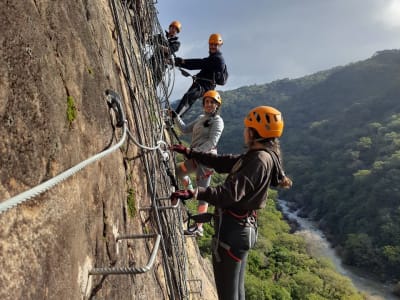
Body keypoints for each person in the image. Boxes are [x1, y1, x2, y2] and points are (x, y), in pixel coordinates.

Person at [170, 106, 292, 300]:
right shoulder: (259, 156)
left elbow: (229, 194)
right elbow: (224, 162)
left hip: (232, 232)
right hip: (241, 231)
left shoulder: (259, 160)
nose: (244, 131)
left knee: (228, 295)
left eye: (247, 128)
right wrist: (190, 152)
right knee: (236, 293)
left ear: (253, 132)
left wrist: (194, 192)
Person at [172, 90, 224, 236]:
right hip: (195, 157)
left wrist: (192, 152)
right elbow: (184, 129)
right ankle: (189, 191)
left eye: (212, 102)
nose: (208, 104)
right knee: (179, 171)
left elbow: (212, 142)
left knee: (203, 193)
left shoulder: (218, 121)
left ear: (217, 105)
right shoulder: (201, 118)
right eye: (206, 102)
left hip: (206, 160)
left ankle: (199, 227)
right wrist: (175, 117)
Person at [174, 33, 226, 117]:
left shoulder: (218, 60)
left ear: (220, 45)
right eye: (211, 44)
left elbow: (200, 63)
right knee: (188, 97)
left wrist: (182, 62)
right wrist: (181, 63)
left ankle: (175, 118)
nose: (212, 46)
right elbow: (203, 65)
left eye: (215, 45)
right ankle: (175, 117)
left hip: (205, 86)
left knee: (189, 97)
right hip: (201, 83)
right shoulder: (212, 58)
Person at [150, 20, 181, 85]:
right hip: (153, 59)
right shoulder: (160, 37)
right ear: (169, 28)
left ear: (177, 32)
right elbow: (149, 40)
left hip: (162, 65)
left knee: (153, 84)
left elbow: (169, 50)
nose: (173, 30)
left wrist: (158, 46)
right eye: (172, 28)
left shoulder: (176, 43)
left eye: (175, 30)